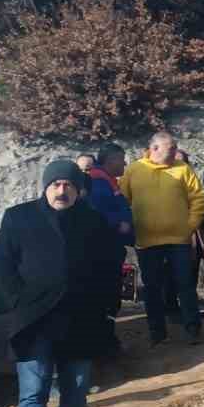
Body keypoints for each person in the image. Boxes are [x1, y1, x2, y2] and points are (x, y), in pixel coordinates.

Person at [0, 160, 120, 407]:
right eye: (56, 185)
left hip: (80, 319)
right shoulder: (19, 218)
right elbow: (2, 264)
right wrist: (19, 300)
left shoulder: (92, 221)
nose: (62, 191)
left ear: (79, 190)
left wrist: (107, 308)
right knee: (34, 392)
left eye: (69, 186)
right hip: (35, 321)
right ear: (46, 187)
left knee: (75, 392)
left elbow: (110, 265)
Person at [120, 131, 204, 345]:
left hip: (179, 240)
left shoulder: (183, 169)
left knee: (185, 285)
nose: (176, 152)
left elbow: (198, 198)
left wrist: (190, 225)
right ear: (155, 149)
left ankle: (192, 328)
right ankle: (157, 333)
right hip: (147, 241)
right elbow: (123, 201)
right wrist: (129, 227)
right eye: (171, 148)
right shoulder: (134, 170)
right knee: (152, 288)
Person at [85, 143, 135, 354]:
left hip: (111, 250)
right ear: (110, 160)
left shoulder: (107, 181)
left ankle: (106, 340)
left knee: (110, 298)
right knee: (107, 298)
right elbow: (97, 212)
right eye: (121, 159)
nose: (124, 163)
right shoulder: (98, 183)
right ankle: (105, 343)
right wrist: (118, 222)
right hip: (105, 252)